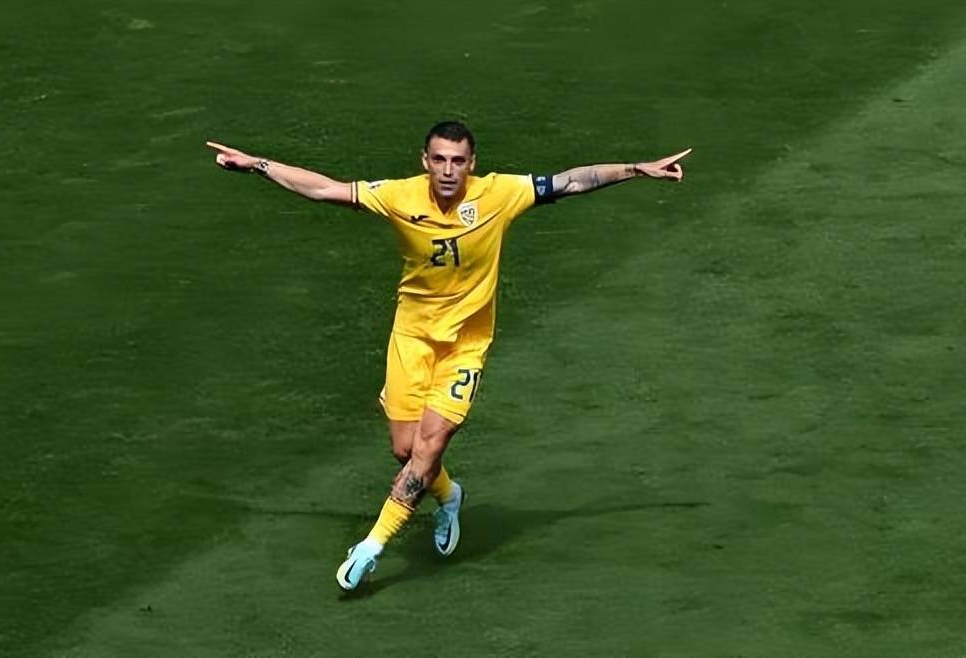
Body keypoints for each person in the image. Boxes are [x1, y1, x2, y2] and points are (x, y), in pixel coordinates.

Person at [206, 121, 690, 591]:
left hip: (465, 346)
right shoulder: (399, 196)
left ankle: (372, 547)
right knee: (405, 450)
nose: (448, 170)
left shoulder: (499, 194)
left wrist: (637, 168)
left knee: (429, 447)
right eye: (439, 159)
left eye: (458, 161)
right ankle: (450, 495)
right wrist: (257, 164)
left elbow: (571, 181)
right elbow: (324, 189)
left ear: (472, 163)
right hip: (411, 339)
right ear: (425, 161)